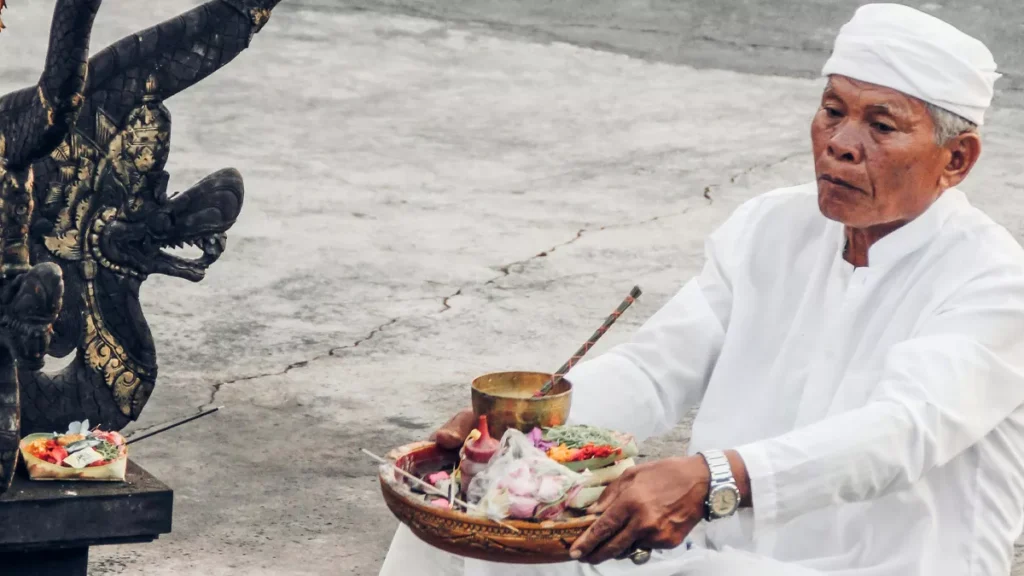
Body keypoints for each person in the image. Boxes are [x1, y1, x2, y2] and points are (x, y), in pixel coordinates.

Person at [379, 4, 1024, 575]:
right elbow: (657, 370)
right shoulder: (771, 226)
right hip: (717, 551)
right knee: (464, 536)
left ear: (957, 159)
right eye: (832, 112)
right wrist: (527, 430)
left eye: (881, 127)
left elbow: (899, 432)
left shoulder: (992, 279)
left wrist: (714, 480)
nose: (840, 145)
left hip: (884, 564)